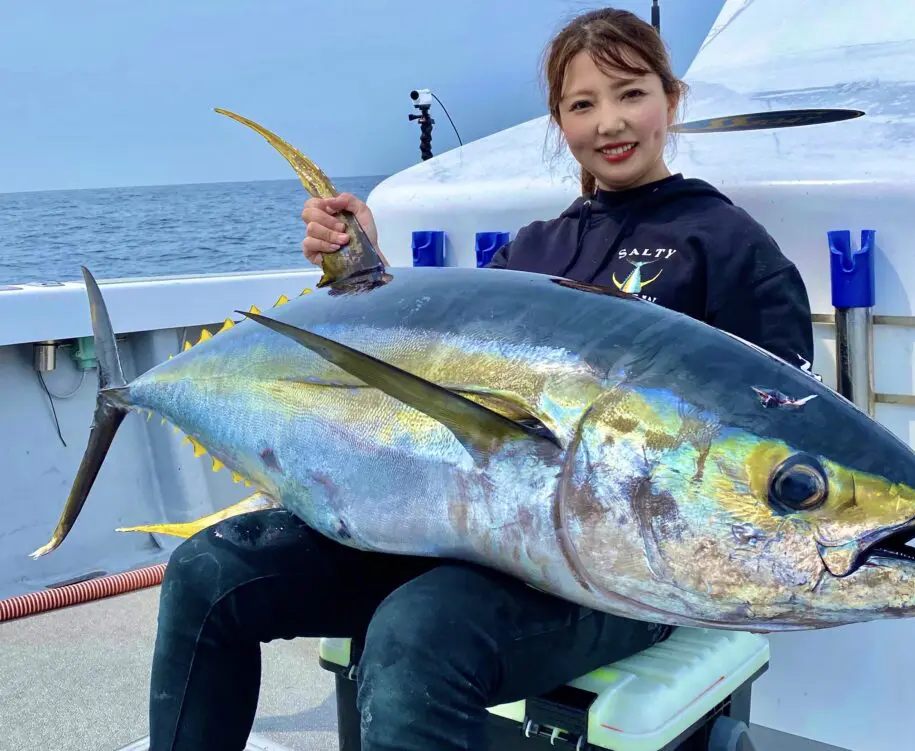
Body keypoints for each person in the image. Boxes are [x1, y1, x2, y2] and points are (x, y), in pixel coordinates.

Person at [148, 8, 813, 751]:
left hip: (623, 568)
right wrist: (361, 267)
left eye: (631, 93)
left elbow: (780, 436)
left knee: (417, 634)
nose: (609, 122)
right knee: (208, 571)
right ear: (559, 121)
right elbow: (434, 369)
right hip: (467, 538)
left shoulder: (729, 248)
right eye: (581, 104)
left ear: (671, 98)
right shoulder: (533, 250)